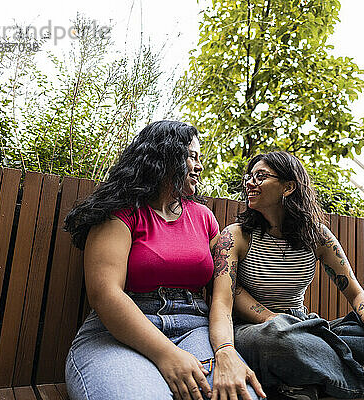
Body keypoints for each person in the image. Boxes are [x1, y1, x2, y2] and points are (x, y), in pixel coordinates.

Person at [63, 121, 265, 400]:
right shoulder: (120, 213)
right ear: (165, 156)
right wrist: (167, 354)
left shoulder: (203, 217)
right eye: (192, 156)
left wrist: (262, 324)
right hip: (120, 332)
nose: (199, 166)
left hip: (196, 329)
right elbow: (105, 294)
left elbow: (225, 289)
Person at [212, 151, 364, 400]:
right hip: (259, 330)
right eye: (249, 176)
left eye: (260, 176)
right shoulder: (235, 236)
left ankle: (308, 377)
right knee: (279, 340)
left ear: (288, 187)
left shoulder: (317, 236)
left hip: (308, 326)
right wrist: (279, 322)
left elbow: (354, 291)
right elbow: (226, 298)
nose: (249, 183)